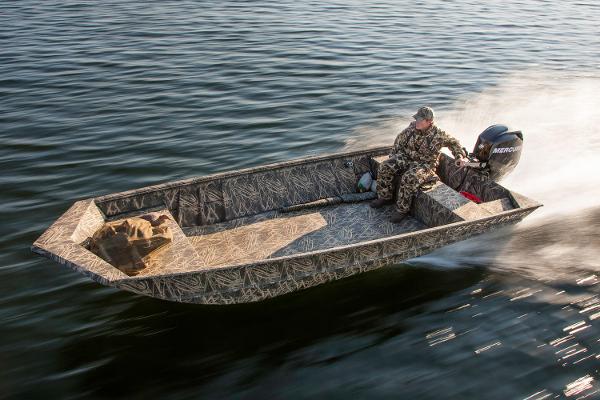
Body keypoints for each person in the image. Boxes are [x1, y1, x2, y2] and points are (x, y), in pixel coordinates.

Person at [370, 106, 466, 223]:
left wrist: (459, 156)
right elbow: (399, 140)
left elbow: (454, 143)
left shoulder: (439, 134)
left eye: (420, 120)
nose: (417, 121)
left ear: (429, 121)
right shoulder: (411, 128)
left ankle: (402, 210)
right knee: (385, 166)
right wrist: (394, 156)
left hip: (425, 165)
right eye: (416, 118)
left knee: (409, 178)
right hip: (407, 158)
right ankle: (384, 197)